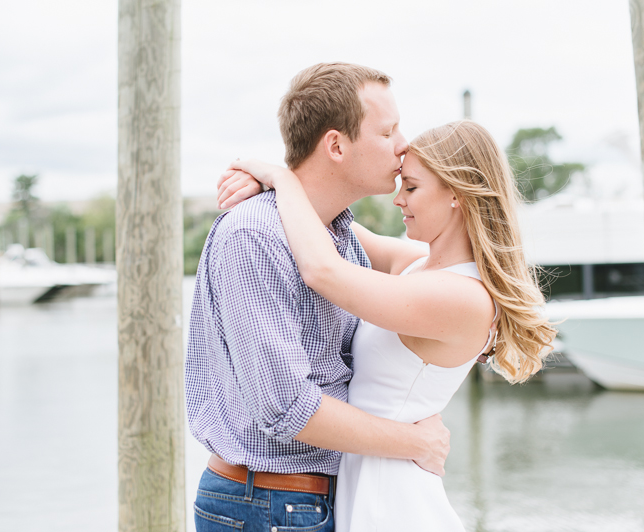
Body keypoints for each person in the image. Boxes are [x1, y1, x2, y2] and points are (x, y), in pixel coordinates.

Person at [218, 120, 557, 531]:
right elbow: (327, 224)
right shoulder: (416, 263)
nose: (398, 199)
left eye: (411, 187)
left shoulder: (463, 297)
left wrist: (280, 178)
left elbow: (323, 270)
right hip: (370, 479)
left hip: (392, 496)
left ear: (456, 193)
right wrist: (271, 189)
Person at [185, 63, 452, 532]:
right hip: (267, 503)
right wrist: (415, 443)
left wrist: (276, 176)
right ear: (335, 145)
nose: (403, 144)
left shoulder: (339, 235)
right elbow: (289, 407)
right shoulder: (255, 235)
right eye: (387, 130)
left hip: (302, 500)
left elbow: (439, 268)